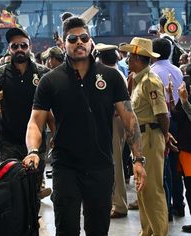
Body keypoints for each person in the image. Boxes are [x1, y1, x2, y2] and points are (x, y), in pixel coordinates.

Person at [23, 16, 146, 236]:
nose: (79, 42)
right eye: (72, 38)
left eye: (84, 37)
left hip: (100, 166)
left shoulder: (111, 77)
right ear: (63, 42)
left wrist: (138, 159)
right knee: (66, 229)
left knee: (98, 230)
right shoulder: (50, 81)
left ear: (91, 42)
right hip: (65, 167)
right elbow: (35, 121)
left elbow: (129, 119)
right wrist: (32, 151)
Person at [0, 28, 52, 200]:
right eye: (14, 46)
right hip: (9, 140)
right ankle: (16, 225)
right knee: (12, 188)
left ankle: (32, 224)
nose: (19, 49)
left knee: (34, 191)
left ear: (29, 47)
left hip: (37, 142)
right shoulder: (1, 73)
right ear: (9, 49)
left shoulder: (43, 74)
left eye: (23, 45)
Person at [120, 37, 172, 235]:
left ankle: (159, 232)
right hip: (141, 139)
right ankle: (147, 230)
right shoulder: (137, 80)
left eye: (130, 56)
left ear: (137, 57)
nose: (126, 60)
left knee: (152, 190)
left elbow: (161, 113)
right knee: (142, 189)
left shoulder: (150, 81)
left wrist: (165, 136)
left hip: (150, 137)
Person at [151, 37, 183, 221]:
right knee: (176, 167)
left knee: (163, 169)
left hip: (163, 124)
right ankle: (179, 205)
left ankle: (167, 209)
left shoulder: (152, 73)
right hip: (178, 121)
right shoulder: (177, 70)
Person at [95, 43, 128, 218]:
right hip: (114, 123)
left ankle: (120, 205)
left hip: (115, 122)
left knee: (115, 163)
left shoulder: (112, 75)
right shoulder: (116, 73)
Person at [168, 81, 191, 233]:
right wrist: (171, 96)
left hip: (189, 150)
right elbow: (175, 117)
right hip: (185, 150)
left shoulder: (186, 100)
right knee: (188, 188)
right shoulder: (185, 98)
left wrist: (184, 101)